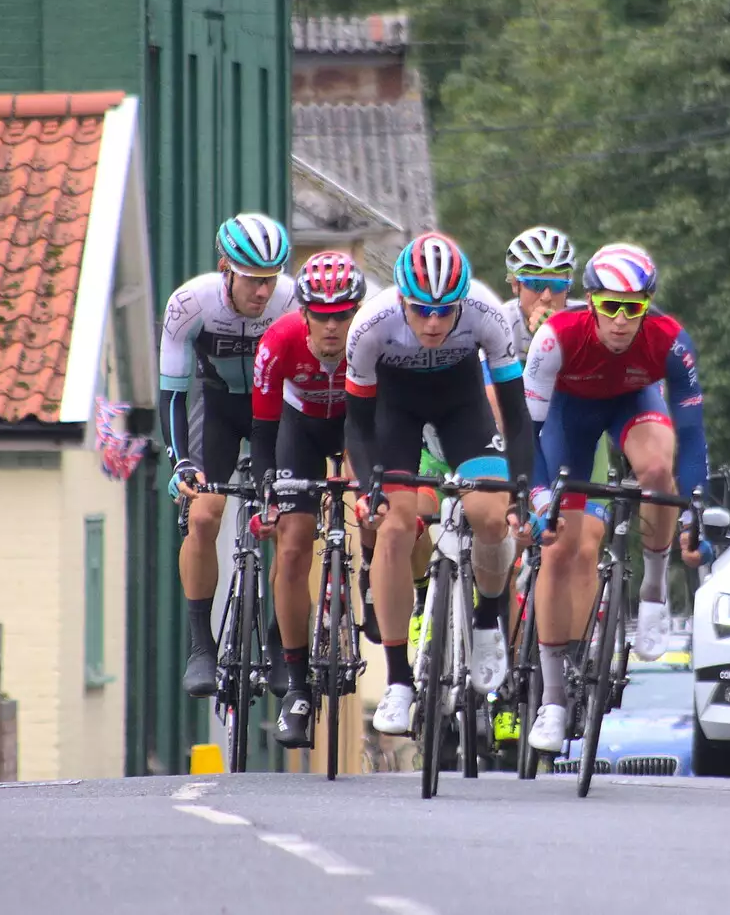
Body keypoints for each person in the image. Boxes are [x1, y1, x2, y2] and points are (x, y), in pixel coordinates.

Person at [521, 243, 714, 754]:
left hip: (632, 405)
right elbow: (528, 433)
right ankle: (554, 700)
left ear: (648, 305)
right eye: (611, 306)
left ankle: (653, 591)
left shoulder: (671, 342)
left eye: (634, 307)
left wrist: (696, 512)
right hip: (569, 419)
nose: (622, 320)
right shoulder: (555, 338)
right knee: (559, 549)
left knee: (656, 468)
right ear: (590, 301)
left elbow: (692, 438)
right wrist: (540, 504)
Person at [343, 232, 537, 736]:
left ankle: (490, 615)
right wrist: (371, 489)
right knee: (395, 526)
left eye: (444, 311)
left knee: (491, 517)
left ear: (461, 303)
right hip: (396, 412)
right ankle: (399, 680)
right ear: (402, 298)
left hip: (461, 406)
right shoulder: (371, 324)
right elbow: (358, 425)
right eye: (421, 310)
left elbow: (516, 419)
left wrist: (519, 493)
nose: (432, 322)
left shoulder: (486, 313)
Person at [159, 213, 296, 697]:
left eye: (271, 279)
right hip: (215, 410)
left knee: (287, 523)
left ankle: (282, 643)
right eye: (254, 280)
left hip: (273, 416)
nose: (263, 292)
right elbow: (174, 393)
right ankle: (201, 646)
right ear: (226, 268)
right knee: (204, 514)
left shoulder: (290, 301)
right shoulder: (190, 303)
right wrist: (181, 462)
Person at [249, 252, 365, 747]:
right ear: (304, 313)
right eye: (322, 315)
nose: (333, 327)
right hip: (299, 430)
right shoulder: (278, 343)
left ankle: (377, 591)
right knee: (293, 547)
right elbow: (262, 428)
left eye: (343, 315)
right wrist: (265, 489)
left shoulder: (371, 341)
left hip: (357, 424)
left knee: (377, 510)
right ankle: (296, 686)